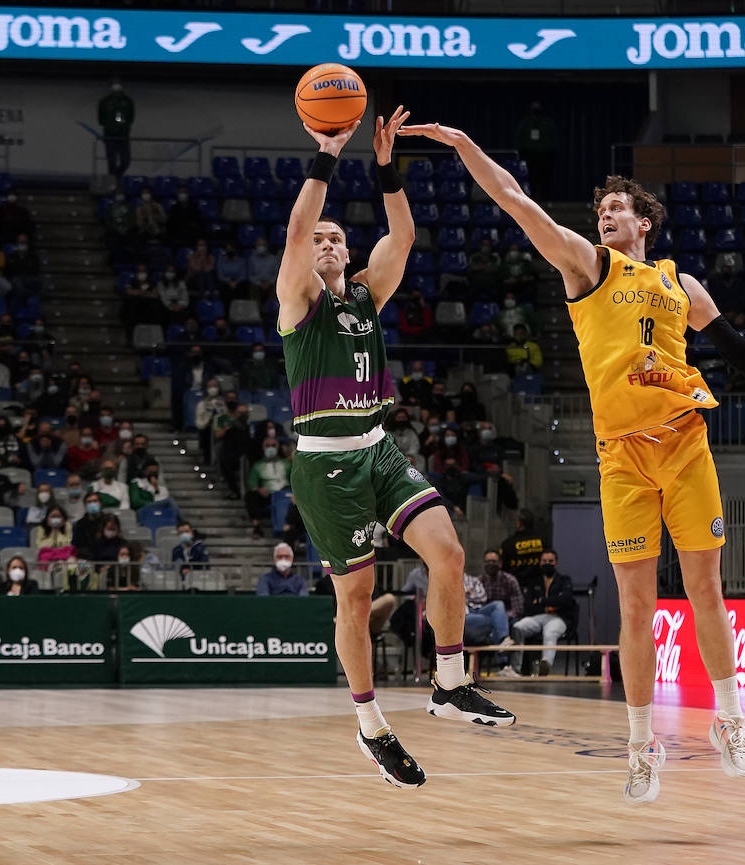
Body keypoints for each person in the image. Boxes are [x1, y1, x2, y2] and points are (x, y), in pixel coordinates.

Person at [401, 120, 745, 802]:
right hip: (621, 460)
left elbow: (738, 351)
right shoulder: (586, 267)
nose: (603, 216)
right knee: (637, 609)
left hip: (686, 444)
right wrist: (464, 146)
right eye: (599, 211)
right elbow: (516, 200)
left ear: (644, 222)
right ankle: (640, 747)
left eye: (615, 210)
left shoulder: (679, 283)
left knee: (706, 592)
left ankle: (730, 722)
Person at [278, 108, 514, 787]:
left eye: (335, 238)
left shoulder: (366, 297)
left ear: (349, 254)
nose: (324, 242)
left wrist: (384, 166)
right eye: (317, 237)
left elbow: (403, 234)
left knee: (449, 551)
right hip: (325, 462)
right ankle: (371, 725)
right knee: (355, 600)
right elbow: (296, 228)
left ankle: (447, 681)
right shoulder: (296, 301)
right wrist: (327, 155)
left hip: (378, 447)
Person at [510, 549, 574, 677]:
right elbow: (528, 606)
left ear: (556, 563)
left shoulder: (564, 580)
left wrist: (540, 601)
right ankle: (515, 669)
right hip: (537, 617)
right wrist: (550, 605)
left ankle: (545, 665)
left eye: (550, 561)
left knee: (549, 632)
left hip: (558, 618)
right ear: (540, 563)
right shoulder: (534, 582)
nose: (547, 563)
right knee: (518, 627)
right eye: (544, 561)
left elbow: (566, 600)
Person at [245, 438, 289, 539]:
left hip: (284, 496)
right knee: (250, 496)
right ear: (263, 448)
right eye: (267, 445)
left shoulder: (287, 464)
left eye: (273, 445)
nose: (270, 448)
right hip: (267, 496)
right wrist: (259, 489)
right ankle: (256, 526)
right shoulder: (257, 465)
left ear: (278, 447)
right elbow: (253, 484)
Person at [513, 101, 559, 199]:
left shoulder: (547, 123)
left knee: (545, 180)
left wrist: (548, 150)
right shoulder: (526, 123)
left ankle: (546, 201)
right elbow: (518, 139)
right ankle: (532, 200)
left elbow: (554, 139)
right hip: (529, 156)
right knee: (531, 179)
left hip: (545, 156)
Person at [98, 78, 135, 178]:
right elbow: (101, 119)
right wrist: (111, 126)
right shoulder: (104, 101)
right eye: (114, 84)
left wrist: (123, 127)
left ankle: (117, 177)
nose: (116, 86)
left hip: (123, 135)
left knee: (126, 160)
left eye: (118, 83)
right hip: (109, 135)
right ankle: (112, 181)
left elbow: (131, 118)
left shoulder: (128, 101)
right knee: (111, 161)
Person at [500, 510, 547, 582]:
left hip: (516, 584)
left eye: (516, 520)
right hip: (538, 584)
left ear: (519, 523)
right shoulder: (542, 540)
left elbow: (502, 566)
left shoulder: (508, 543)